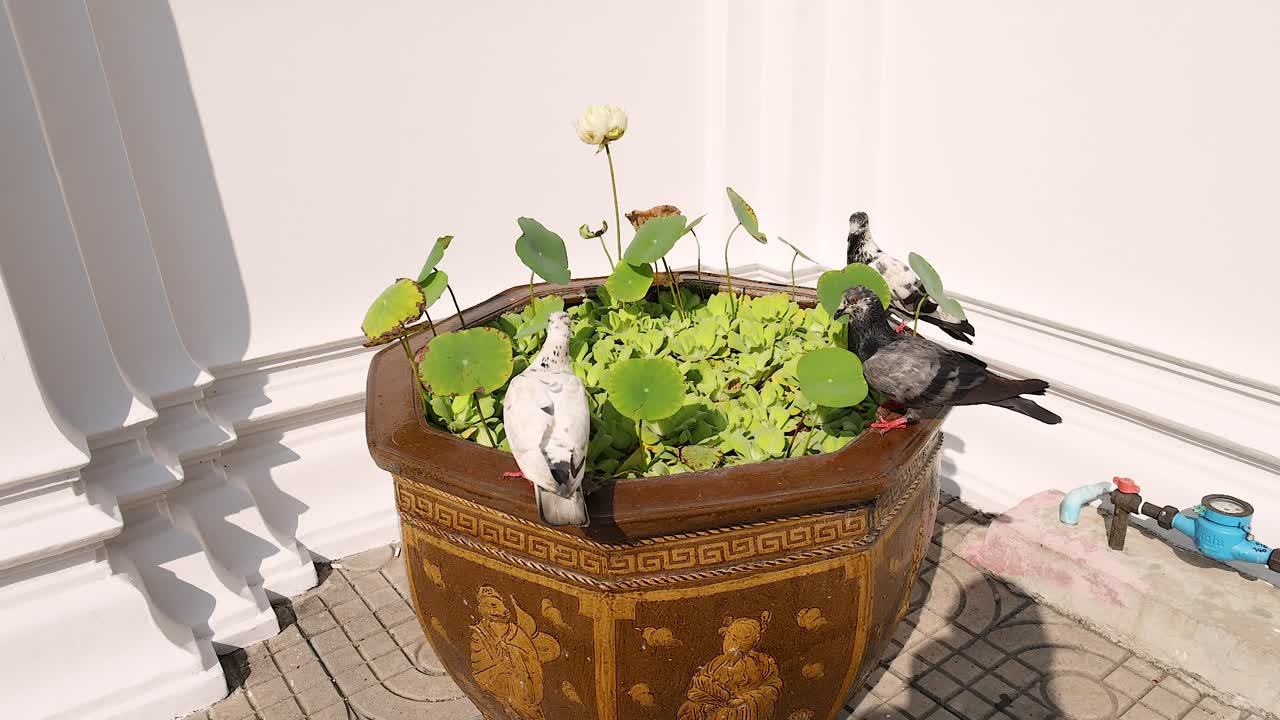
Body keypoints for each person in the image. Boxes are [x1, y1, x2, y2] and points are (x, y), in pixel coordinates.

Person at [678, 613, 782, 720]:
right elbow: (696, 687)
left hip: (744, 712)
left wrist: (746, 700)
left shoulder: (764, 663)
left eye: (745, 639)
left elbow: (771, 689)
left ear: (756, 640)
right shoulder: (717, 663)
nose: (738, 644)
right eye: (734, 639)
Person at [469, 586, 550, 720]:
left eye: (495, 605)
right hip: (503, 692)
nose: (491, 610)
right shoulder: (480, 635)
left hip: (525, 690)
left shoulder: (515, 632)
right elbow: (479, 670)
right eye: (486, 606)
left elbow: (532, 661)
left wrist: (511, 652)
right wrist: (501, 670)